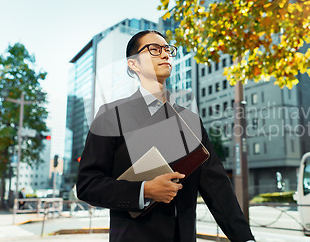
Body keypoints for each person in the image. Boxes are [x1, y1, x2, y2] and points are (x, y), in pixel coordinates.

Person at [77, 30, 255, 242]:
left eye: (168, 50)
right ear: (133, 64)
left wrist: (246, 239)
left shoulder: (190, 121)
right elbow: (88, 185)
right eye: (154, 49)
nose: (165, 54)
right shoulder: (111, 116)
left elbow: (218, 189)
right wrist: (144, 190)